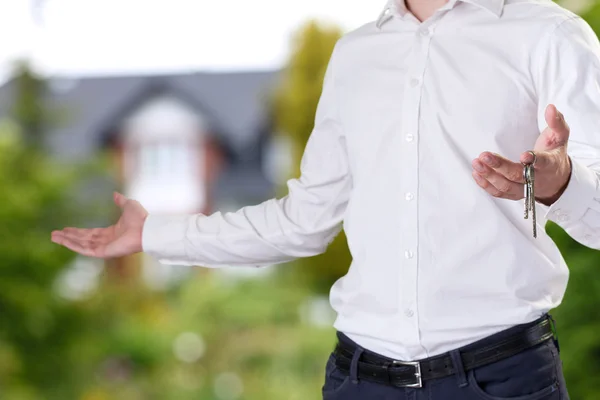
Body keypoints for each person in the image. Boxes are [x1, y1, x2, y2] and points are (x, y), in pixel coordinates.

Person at [51, 0, 600, 398]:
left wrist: (559, 181)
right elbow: (303, 220)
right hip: (360, 381)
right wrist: (153, 233)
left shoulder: (550, 36)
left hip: (500, 378)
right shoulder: (356, 56)